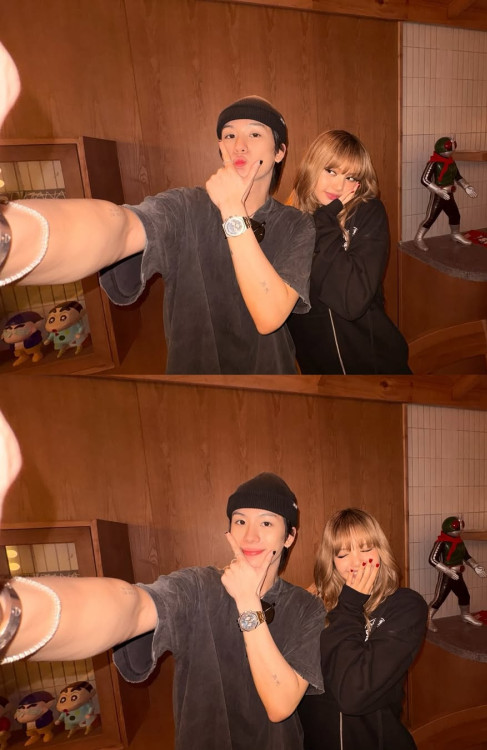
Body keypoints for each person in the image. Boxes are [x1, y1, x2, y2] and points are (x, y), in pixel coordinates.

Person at [0, 41, 315, 374]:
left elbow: (269, 316)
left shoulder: (297, 225)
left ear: (279, 151)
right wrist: (9, 239)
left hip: (273, 384)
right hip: (195, 386)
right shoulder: (186, 207)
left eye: (255, 134)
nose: (239, 145)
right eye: (228, 135)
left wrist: (231, 209)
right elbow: (119, 227)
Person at [0, 447, 325, 750]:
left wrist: (247, 601)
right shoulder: (199, 587)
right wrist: (11, 615)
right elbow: (132, 606)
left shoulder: (306, 607)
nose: (250, 536)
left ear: (289, 536)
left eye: (266, 522)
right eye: (240, 521)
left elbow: (280, 706)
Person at [298, 508, 427, 750]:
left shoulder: (405, 606)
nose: (356, 562)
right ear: (332, 561)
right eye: (343, 553)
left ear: (381, 551)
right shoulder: (314, 607)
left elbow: (353, 695)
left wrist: (350, 604)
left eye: (366, 549)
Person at [287, 130, 411, 374]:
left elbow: (351, 301)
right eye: (331, 171)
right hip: (319, 372)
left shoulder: (368, 212)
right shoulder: (290, 222)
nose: (338, 185)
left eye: (350, 177)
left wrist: (325, 221)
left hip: (377, 367)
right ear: (312, 167)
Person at [414, 135, 477, 252]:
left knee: (455, 215)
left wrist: (466, 186)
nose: (452, 150)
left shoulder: (451, 162)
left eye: (453, 146)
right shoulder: (433, 163)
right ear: (441, 148)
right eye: (449, 147)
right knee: (430, 218)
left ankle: (455, 234)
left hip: (449, 194)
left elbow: (458, 177)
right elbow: (424, 179)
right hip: (438, 195)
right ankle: (418, 238)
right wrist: (438, 190)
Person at [427, 514, 487, 632]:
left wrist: (476, 566)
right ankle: (427, 619)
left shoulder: (459, 542)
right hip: (447, 575)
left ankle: (465, 615)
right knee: (439, 598)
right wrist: (447, 571)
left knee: (464, 595)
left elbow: (466, 556)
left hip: (458, 574)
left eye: (461, 526)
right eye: (457, 526)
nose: (460, 529)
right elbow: (432, 559)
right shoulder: (441, 542)